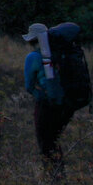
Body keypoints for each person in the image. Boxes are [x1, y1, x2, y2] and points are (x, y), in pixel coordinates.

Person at [23, 22, 74, 171]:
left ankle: (52, 179)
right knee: (54, 141)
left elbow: (29, 86)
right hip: (63, 104)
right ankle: (59, 174)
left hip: (46, 105)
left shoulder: (33, 57)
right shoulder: (58, 53)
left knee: (45, 144)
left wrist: (40, 95)